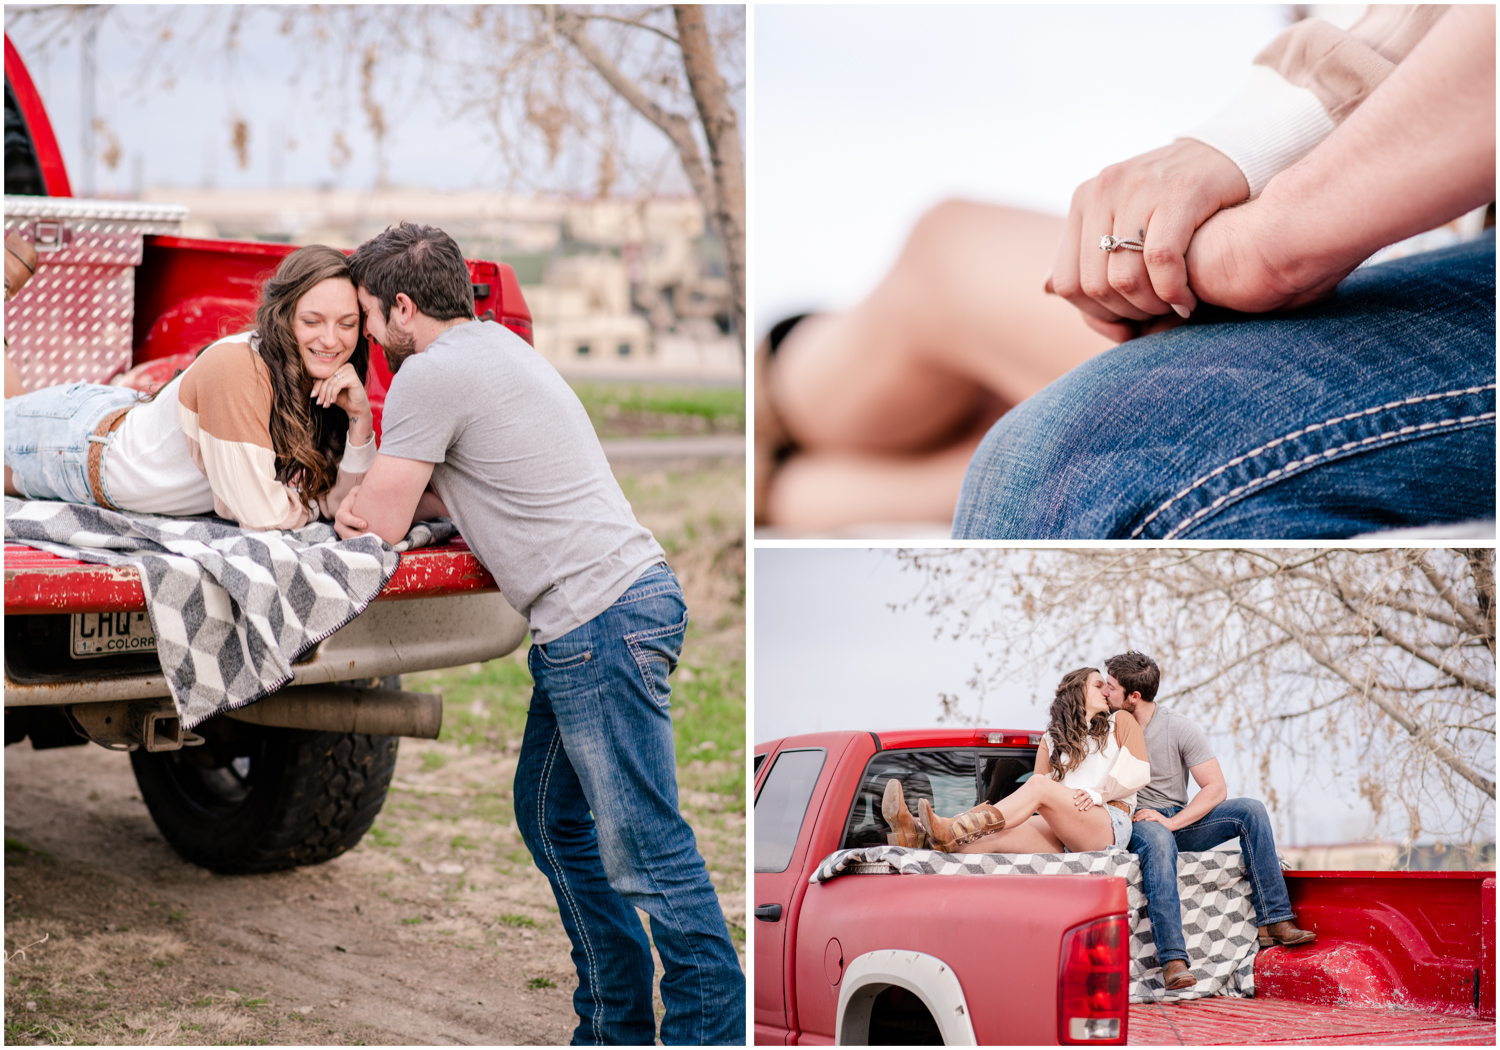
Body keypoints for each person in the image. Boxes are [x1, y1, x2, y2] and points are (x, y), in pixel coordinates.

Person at [760, 5, 1494, 537]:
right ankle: (776, 460)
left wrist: (1271, 214)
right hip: (1407, 218)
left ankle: (770, 414)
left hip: (1404, 233)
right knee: (971, 310)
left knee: (949, 257)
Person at [331, 222, 744, 1046]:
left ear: (403, 309)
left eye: (369, 317)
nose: (366, 336)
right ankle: (614, 1024)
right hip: (613, 609)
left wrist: (358, 435)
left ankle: (706, 1033)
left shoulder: (428, 376)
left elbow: (370, 522)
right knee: (551, 816)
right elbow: (476, 486)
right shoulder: (497, 351)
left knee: (648, 853)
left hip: (598, 623)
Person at [4, 244, 375, 530]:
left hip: (124, 420)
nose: (331, 340)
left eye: (346, 324)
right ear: (284, 317)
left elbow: (344, 503)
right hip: (83, 444)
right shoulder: (237, 368)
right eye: (312, 321)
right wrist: (307, 504)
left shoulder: (320, 384)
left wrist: (360, 418)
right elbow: (263, 515)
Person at [1103, 651, 1315, 992]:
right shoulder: (1105, 724)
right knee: (1157, 839)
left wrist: (1173, 823)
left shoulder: (1177, 726)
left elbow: (1215, 788)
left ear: (1134, 696)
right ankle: (1173, 960)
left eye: (1111, 687)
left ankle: (1275, 920)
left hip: (1176, 820)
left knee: (1251, 810)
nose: (1104, 692)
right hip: (1137, 822)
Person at [884, 667, 1150, 855]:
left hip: (1108, 824)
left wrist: (1098, 794)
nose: (1106, 690)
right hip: (1064, 829)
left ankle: (950, 825)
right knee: (991, 837)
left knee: (1038, 785)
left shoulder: (1120, 721)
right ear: (1078, 691)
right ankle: (916, 835)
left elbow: (1138, 774)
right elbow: (1041, 803)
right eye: (1098, 684)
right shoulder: (1051, 740)